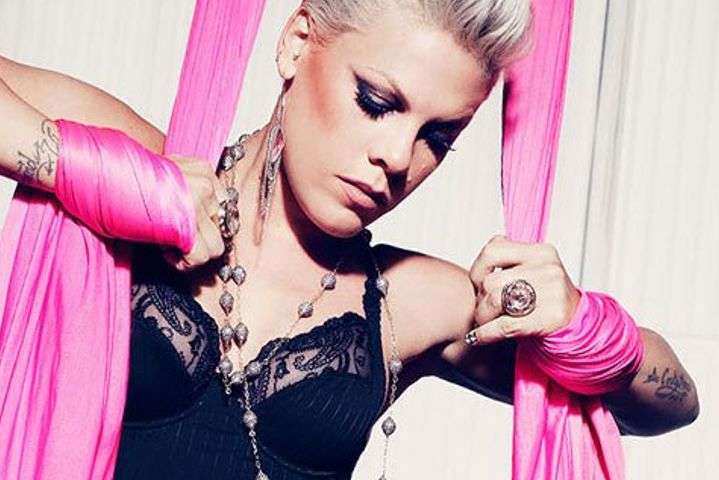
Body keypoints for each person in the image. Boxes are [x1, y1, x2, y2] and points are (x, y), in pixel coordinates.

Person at [0, 1, 700, 478]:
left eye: (436, 137)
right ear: (297, 42)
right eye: (376, 101)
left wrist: (579, 323)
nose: (397, 157)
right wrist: (76, 169)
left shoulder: (405, 303)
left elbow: (671, 404)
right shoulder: (133, 171)